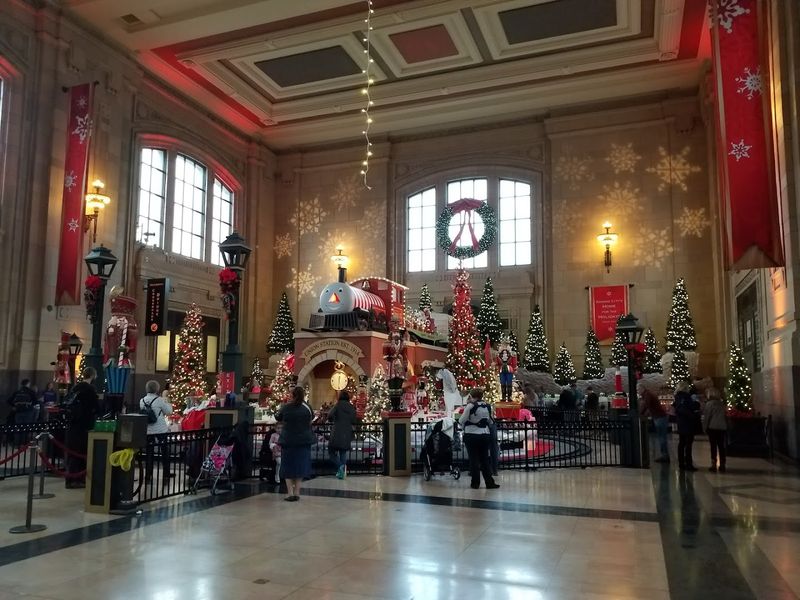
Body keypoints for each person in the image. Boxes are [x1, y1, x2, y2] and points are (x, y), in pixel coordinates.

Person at [276, 386, 315, 501]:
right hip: (303, 440)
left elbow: (278, 417)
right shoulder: (307, 407)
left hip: (288, 440)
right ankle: (297, 492)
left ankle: (290, 493)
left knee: (287, 466)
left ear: (292, 395)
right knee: (300, 466)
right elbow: (312, 418)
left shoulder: (286, 407)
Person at [64, 368, 99, 489]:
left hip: (72, 425)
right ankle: (78, 479)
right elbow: (96, 408)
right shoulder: (90, 390)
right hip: (84, 425)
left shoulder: (74, 388)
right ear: (93, 376)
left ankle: (70, 479)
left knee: (72, 453)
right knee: (82, 453)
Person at [460, 388, 499, 490]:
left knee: (474, 460)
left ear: (472, 396)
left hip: (471, 435)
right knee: (485, 460)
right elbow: (490, 422)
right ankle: (489, 482)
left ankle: (475, 483)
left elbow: (462, 420)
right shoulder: (487, 406)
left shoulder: (470, 406)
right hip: (484, 435)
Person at [140, 380, 173, 484]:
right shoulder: (159, 400)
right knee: (164, 452)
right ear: (157, 389)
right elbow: (169, 412)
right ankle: (166, 476)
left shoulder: (142, 400)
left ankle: (148, 476)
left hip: (148, 430)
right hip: (160, 430)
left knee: (149, 453)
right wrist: (167, 401)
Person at [328, 390, 357, 479]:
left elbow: (330, 415)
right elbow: (353, 420)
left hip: (336, 432)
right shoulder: (351, 407)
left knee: (331, 452)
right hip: (347, 432)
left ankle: (340, 466)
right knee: (343, 452)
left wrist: (332, 420)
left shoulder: (337, 405)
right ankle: (342, 472)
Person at [673, 381, 700, 472]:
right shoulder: (686, 397)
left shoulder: (677, 397)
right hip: (688, 423)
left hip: (681, 423)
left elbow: (678, 409)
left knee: (681, 443)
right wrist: (694, 411)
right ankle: (688, 464)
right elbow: (691, 407)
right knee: (688, 444)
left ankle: (681, 463)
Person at [639, 382, 669, 463]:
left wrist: (640, 414)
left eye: (638, 390)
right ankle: (665, 455)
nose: (638, 391)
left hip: (659, 417)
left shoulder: (647, 395)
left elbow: (646, 405)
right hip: (659, 417)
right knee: (661, 437)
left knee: (661, 437)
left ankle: (665, 456)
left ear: (642, 389)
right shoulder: (648, 394)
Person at [703, 387, 728, 473]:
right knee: (721, 446)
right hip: (722, 427)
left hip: (712, 427)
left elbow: (707, 417)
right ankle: (723, 465)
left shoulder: (709, 404)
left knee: (713, 446)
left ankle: (713, 464)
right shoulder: (722, 404)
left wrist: (704, 428)